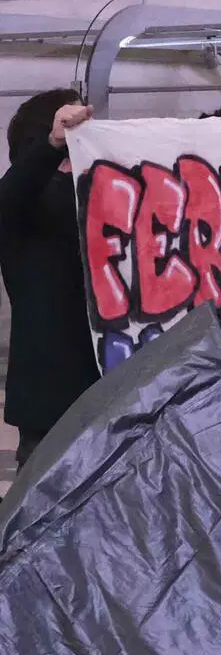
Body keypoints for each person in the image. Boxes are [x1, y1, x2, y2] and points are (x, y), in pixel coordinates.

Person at [0, 91, 101, 469]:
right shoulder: (24, 208)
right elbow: (12, 194)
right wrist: (53, 146)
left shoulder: (106, 197)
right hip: (51, 407)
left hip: (113, 394)